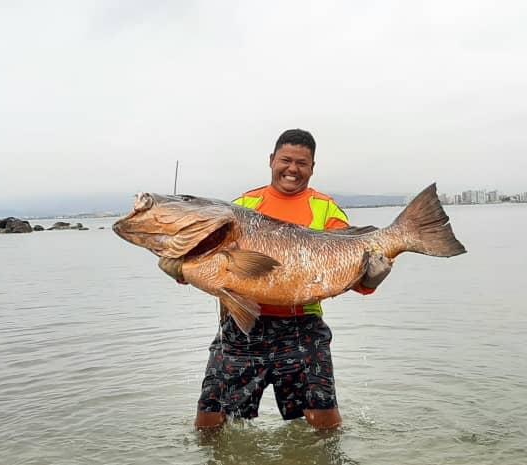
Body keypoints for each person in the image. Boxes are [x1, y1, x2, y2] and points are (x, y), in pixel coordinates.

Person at [159, 129, 392, 431]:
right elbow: (212, 263)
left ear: (312, 167)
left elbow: (344, 274)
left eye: (302, 163)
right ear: (271, 160)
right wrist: (180, 269)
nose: (292, 169)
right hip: (239, 327)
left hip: (303, 325)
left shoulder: (326, 209)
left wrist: (371, 280)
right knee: (209, 421)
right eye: (286, 160)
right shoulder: (241, 206)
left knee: (323, 421)